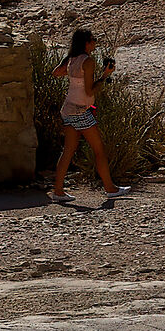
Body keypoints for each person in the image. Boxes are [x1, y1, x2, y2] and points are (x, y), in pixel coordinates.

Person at [50, 29, 127, 202]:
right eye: (93, 39)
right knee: (99, 149)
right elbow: (89, 90)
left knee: (68, 151)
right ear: (86, 42)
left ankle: (58, 191)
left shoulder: (71, 59)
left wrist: (72, 72)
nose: (95, 42)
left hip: (68, 109)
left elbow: (56, 72)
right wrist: (105, 76)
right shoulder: (88, 61)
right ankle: (110, 188)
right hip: (81, 110)